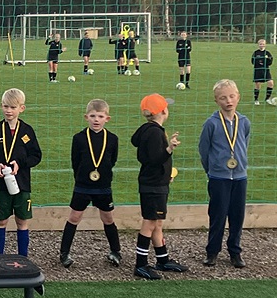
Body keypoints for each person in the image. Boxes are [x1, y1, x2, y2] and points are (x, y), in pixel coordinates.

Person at [130, 94, 188, 280]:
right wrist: (169, 148)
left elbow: (147, 156)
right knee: (150, 222)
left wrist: (166, 176)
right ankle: (141, 264)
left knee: (157, 222)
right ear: (163, 111)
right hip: (153, 186)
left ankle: (163, 259)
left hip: (156, 183)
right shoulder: (155, 133)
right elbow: (156, 159)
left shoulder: (148, 130)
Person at [58, 99, 122, 268]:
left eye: (100, 116)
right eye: (93, 116)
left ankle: (115, 251)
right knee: (74, 217)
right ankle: (64, 253)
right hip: (83, 185)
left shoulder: (112, 139)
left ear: (107, 118)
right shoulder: (79, 138)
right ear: (86, 117)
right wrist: (81, 177)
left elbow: (112, 160)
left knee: (108, 217)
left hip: (103, 186)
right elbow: (75, 161)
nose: (96, 120)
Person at [0, 88, 42, 256]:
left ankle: (23, 257)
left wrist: (20, 164)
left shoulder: (27, 131)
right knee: (1, 221)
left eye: (13, 107)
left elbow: (36, 156)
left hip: (22, 184)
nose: (8, 110)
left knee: (22, 221)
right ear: (1, 106)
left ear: (21, 108)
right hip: (2, 185)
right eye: (6, 106)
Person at [199, 80, 250, 268]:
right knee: (218, 215)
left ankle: (235, 251)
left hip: (239, 177)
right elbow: (204, 150)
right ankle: (212, 251)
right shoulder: (211, 124)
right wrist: (212, 170)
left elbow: (244, 143)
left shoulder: (244, 122)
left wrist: (240, 165)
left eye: (231, 96)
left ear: (238, 97)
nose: (228, 101)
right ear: (216, 100)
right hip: (218, 177)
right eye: (223, 98)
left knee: (237, 215)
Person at [251, 39, 275, 105]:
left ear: (265, 45)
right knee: (258, 85)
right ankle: (256, 100)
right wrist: (259, 62)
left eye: (263, 44)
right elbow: (253, 61)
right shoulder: (256, 53)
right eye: (260, 44)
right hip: (258, 70)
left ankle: (267, 99)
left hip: (266, 70)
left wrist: (268, 59)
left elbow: (270, 62)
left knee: (271, 83)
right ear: (258, 45)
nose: (262, 45)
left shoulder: (267, 53)